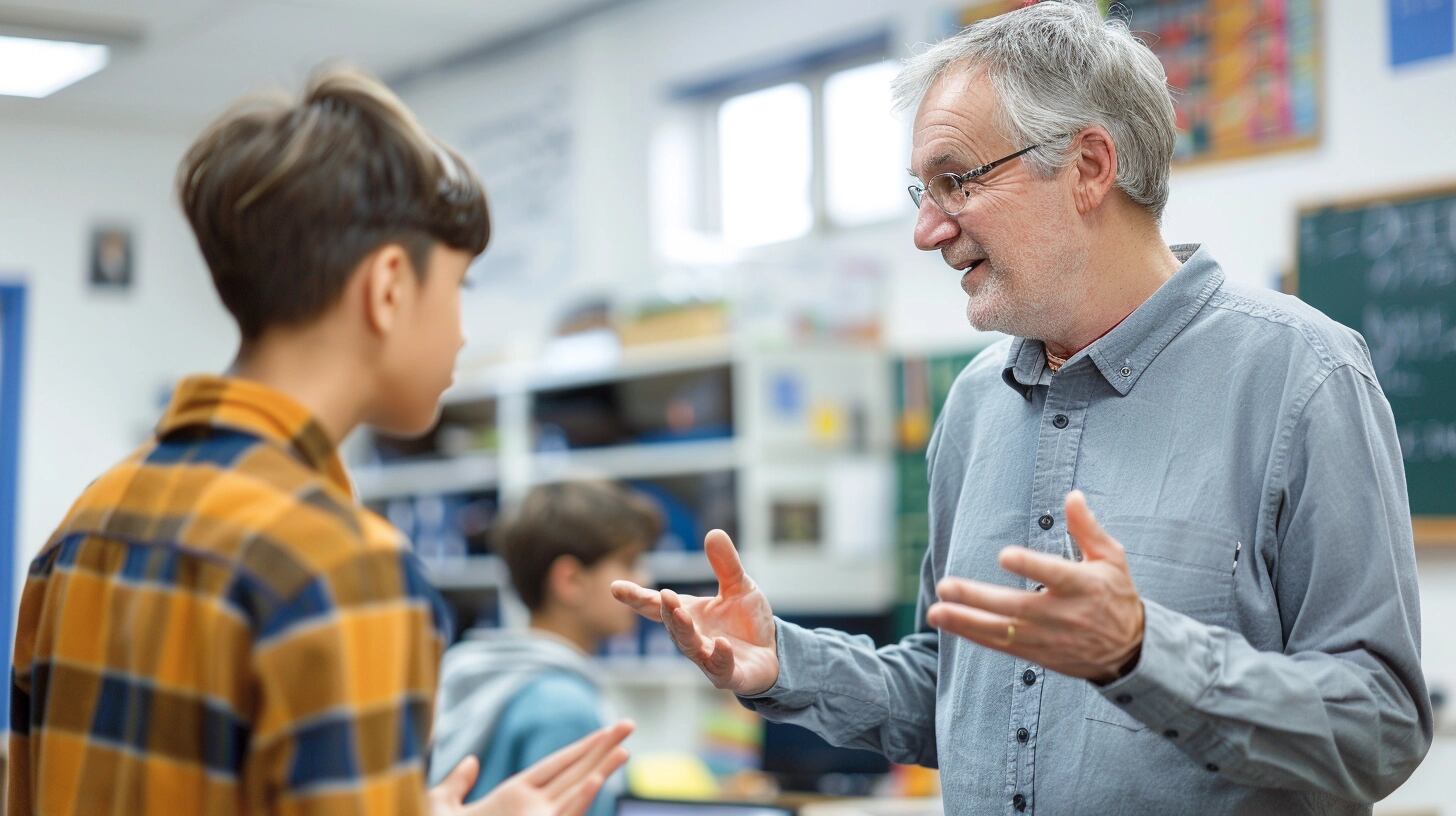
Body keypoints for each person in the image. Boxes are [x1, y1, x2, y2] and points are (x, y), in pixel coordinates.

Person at [613, 2, 1432, 813]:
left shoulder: (1302, 375)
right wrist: (786, 663)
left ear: (1087, 166)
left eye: (956, 181)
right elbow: (960, 692)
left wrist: (1144, 654)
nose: (927, 231)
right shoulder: (973, 405)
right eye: (919, 193)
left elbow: (1382, 726)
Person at [8, 66, 630, 816]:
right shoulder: (345, 566)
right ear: (390, 286)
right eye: (459, 288)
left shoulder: (85, 526)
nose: (463, 331)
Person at [431, 481, 661, 815]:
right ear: (570, 581)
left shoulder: (477, 668)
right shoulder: (564, 705)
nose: (646, 578)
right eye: (629, 562)